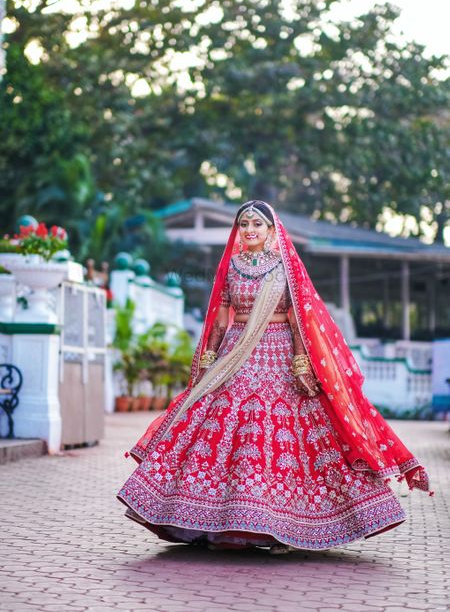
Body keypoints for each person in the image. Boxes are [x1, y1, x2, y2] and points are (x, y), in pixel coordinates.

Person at [117, 200, 431, 554]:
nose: (249, 229)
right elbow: (221, 317)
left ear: (270, 230)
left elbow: (299, 318)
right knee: (227, 422)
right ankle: (219, 522)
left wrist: (300, 363)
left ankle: (283, 527)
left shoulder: (285, 268)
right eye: (244, 223)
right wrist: (207, 359)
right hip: (235, 354)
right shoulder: (232, 268)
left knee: (286, 432)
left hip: (279, 353)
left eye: (256, 224)